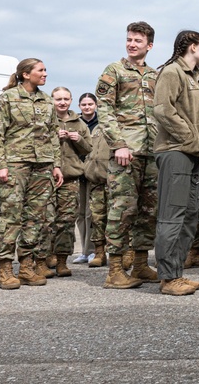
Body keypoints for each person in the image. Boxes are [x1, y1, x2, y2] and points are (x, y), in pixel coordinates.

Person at [0, 58, 64, 290]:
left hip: (42, 166)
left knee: (36, 218)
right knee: (11, 218)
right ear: (25, 74)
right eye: (41, 70)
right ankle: (5, 269)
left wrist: (56, 165)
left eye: (45, 70)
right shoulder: (7, 98)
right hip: (15, 165)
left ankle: (27, 267)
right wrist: (1, 164)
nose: (45, 74)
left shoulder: (47, 101)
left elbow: (53, 135)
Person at [96, 21, 159, 290]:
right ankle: (115, 270)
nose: (132, 44)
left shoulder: (156, 75)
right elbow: (105, 109)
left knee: (149, 211)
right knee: (122, 210)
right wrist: (118, 143)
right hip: (126, 152)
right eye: (129, 39)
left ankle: (141, 264)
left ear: (149, 45)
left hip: (152, 152)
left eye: (138, 41)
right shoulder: (115, 70)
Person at [153, 30, 199, 296]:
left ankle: (176, 273)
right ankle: (167, 278)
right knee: (172, 216)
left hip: (191, 153)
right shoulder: (172, 72)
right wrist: (189, 137)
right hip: (176, 151)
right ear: (191, 47)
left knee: (188, 216)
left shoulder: (193, 76)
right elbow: (163, 109)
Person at [47, 87, 92, 277]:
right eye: (58, 99)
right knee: (46, 220)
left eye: (66, 99)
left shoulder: (79, 123)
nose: (62, 102)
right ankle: (45, 257)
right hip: (47, 177)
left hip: (70, 177)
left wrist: (78, 139)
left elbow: (88, 148)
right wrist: (53, 137)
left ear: (71, 100)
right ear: (52, 100)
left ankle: (62, 260)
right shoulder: (47, 120)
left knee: (66, 221)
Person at [81, 93, 112, 268]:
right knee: (97, 217)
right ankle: (99, 252)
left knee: (118, 219)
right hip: (96, 179)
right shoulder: (97, 128)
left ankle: (122, 252)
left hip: (114, 179)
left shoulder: (121, 126)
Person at [74, 92, 98, 264]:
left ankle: (93, 250)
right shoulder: (75, 123)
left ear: (95, 105)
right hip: (77, 170)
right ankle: (83, 250)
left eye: (90, 104)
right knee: (80, 213)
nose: (87, 107)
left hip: (95, 171)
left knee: (92, 213)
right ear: (79, 106)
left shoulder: (103, 123)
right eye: (84, 104)